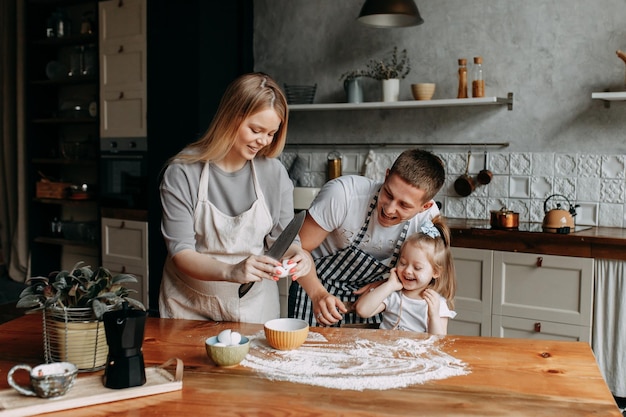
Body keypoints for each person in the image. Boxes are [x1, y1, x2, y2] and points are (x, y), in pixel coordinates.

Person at [159, 72, 312, 323]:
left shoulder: (274, 174)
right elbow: (181, 251)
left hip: (253, 307)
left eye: (271, 133)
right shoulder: (182, 172)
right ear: (231, 117)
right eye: (256, 129)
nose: (263, 141)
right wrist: (231, 271)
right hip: (188, 306)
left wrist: (299, 255)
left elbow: (283, 238)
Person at [290, 148, 446, 327]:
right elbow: (297, 249)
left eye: (404, 205)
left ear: (425, 206)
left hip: (373, 300)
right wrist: (318, 294)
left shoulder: (428, 219)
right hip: (315, 285)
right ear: (386, 176)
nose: (389, 209)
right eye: (388, 193)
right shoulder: (343, 194)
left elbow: (431, 271)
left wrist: (386, 283)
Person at [355, 217, 456, 335]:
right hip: (387, 351)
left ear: (436, 272)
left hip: (417, 353)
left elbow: (439, 341)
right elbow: (362, 310)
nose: (407, 271)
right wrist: (390, 285)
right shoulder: (393, 295)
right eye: (402, 263)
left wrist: (433, 316)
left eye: (417, 268)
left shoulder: (436, 303)